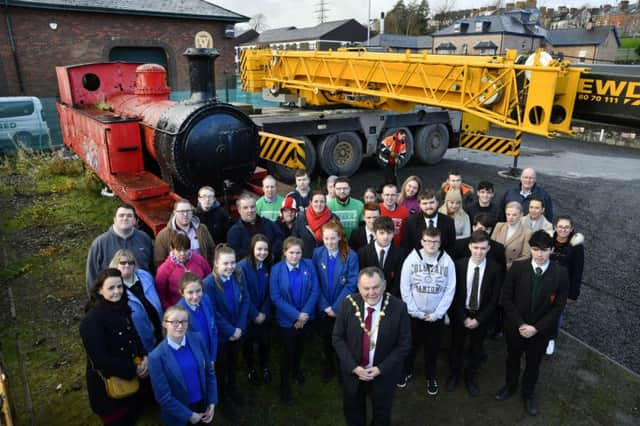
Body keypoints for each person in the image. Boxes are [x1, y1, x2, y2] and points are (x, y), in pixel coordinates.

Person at [496, 230, 568, 417]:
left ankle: (528, 393)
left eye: (544, 250)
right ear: (530, 249)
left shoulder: (561, 274)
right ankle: (510, 386)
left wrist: (536, 328)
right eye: (535, 249)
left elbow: (559, 306)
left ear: (551, 250)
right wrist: (520, 324)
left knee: (533, 364)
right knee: (512, 358)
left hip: (540, 331)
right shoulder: (518, 268)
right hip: (515, 327)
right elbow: (506, 297)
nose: (539, 254)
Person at [332, 266, 411, 426]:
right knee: (353, 412)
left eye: (376, 287)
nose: (371, 293)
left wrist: (380, 369)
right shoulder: (348, 304)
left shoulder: (398, 308)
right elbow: (337, 338)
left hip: (383, 374)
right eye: (366, 288)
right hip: (354, 373)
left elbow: (404, 345)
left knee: (382, 414)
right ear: (358, 287)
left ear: (384, 285)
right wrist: (353, 367)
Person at [80, 268, 148, 426]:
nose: (117, 291)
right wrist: (133, 369)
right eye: (111, 288)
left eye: (120, 287)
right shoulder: (92, 320)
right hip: (108, 391)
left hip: (131, 384)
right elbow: (100, 360)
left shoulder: (122, 308)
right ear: (100, 290)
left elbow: (135, 337)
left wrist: (144, 357)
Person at [399, 227, 456, 394]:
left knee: (432, 349)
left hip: (435, 316)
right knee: (410, 346)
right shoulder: (411, 259)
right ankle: (407, 371)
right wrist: (414, 311)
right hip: (414, 314)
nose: (432, 245)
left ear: (440, 242)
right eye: (428, 241)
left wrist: (438, 313)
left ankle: (431, 377)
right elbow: (405, 287)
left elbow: (450, 289)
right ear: (422, 242)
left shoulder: (447, 261)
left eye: (435, 242)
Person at [447, 231, 503, 396]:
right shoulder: (459, 265)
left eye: (483, 248)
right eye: (476, 247)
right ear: (470, 246)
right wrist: (463, 318)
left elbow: (494, 299)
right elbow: (454, 294)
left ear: (489, 248)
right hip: (461, 315)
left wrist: (478, 319)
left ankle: (470, 378)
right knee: (456, 347)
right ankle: (454, 375)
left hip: (482, 317)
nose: (479, 252)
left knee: (476, 349)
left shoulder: (495, 269)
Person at [269, 237, 320, 404]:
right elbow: (275, 297)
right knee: (288, 353)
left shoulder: (309, 265)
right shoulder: (276, 269)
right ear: (284, 252)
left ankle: (296, 372)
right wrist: (296, 315)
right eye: (291, 252)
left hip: (306, 318)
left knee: (300, 348)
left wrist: (304, 314)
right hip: (287, 320)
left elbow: (315, 291)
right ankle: (284, 387)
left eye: (298, 252)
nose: (295, 256)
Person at [148, 305, 217, 426]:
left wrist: (212, 402)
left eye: (184, 321)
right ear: (164, 323)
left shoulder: (197, 339)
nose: (180, 326)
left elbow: (209, 373)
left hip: (203, 405)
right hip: (179, 414)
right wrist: (189, 415)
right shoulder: (156, 357)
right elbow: (163, 397)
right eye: (174, 322)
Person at [203, 244, 249, 410]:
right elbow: (213, 312)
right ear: (216, 263)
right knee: (221, 367)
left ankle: (233, 388)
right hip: (222, 336)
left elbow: (245, 300)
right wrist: (230, 331)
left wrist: (240, 327)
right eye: (225, 263)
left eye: (232, 262)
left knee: (233, 363)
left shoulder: (238, 275)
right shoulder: (208, 284)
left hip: (238, 330)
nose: (230, 267)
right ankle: (222, 396)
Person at [312, 221, 359, 382]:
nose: (329, 242)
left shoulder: (351, 255)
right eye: (326, 239)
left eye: (333, 238)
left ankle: (342, 368)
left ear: (339, 237)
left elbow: (352, 283)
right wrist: (325, 306)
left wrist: (336, 307)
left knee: (341, 339)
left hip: (342, 307)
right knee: (325, 338)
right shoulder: (317, 254)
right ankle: (328, 366)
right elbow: (315, 281)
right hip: (323, 307)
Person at [86, 204, 153, 294]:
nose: (125, 218)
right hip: (112, 297)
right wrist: (95, 300)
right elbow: (92, 275)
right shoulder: (100, 243)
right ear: (114, 219)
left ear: (135, 221)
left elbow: (152, 268)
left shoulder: (145, 239)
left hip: (141, 294)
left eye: (129, 216)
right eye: (121, 215)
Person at [109, 250, 163, 353]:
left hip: (159, 330)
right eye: (123, 262)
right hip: (139, 341)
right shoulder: (115, 287)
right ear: (116, 264)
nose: (127, 265)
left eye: (131, 262)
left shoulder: (145, 276)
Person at [238, 234, 274, 385]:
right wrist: (255, 314)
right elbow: (243, 293)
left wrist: (264, 312)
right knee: (248, 343)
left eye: (265, 249)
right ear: (252, 249)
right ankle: (251, 369)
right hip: (248, 314)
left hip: (263, 313)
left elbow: (268, 292)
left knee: (265, 342)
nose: (262, 253)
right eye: (259, 249)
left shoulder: (267, 265)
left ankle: (264, 367)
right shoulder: (242, 267)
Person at [547, 215, 584, 355]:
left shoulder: (576, 247)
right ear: (555, 227)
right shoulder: (548, 240)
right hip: (546, 282)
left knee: (557, 313)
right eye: (560, 226)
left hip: (562, 287)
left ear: (572, 229)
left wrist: (573, 294)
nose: (563, 230)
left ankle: (551, 338)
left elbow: (578, 271)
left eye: (567, 227)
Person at [155, 233, 212, 310]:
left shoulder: (200, 260)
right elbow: (161, 296)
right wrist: (172, 311)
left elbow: (209, 280)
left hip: (202, 306)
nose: (182, 254)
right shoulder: (164, 270)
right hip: (179, 311)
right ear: (172, 248)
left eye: (185, 250)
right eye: (178, 250)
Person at [154, 199, 215, 269]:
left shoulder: (202, 229)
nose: (185, 214)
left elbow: (212, 250)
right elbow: (159, 263)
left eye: (188, 211)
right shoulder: (163, 235)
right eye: (181, 211)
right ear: (174, 213)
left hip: (202, 275)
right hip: (179, 278)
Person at [177, 273, 218, 368]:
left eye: (198, 291)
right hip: (194, 360)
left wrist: (212, 357)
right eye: (190, 292)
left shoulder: (206, 300)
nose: (195, 296)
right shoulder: (179, 313)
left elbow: (213, 329)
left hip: (210, 353)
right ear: (182, 293)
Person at [226, 192, 283, 260]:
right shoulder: (234, 231)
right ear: (239, 210)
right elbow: (235, 252)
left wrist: (271, 253)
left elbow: (280, 238)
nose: (250, 210)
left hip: (272, 264)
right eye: (245, 208)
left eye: (252, 207)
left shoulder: (268, 223)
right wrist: (256, 256)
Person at [357, 216, 405, 297]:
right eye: (382, 233)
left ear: (393, 234)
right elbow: (361, 278)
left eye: (389, 233)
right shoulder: (363, 252)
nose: (386, 237)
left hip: (392, 297)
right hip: (369, 296)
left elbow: (399, 280)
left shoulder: (400, 253)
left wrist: (389, 297)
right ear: (375, 234)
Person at [401, 189, 456, 257]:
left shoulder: (449, 222)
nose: (428, 206)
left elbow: (451, 248)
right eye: (425, 203)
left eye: (432, 202)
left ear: (437, 203)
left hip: (442, 262)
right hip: (417, 262)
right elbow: (407, 248)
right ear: (419, 205)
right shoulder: (409, 222)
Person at [292, 191, 338, 258]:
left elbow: (340, 240)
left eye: (322, 202)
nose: (319, 204)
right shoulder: (301, 219)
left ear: (325, 203)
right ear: (311, 203)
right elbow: (294, 240)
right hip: (306, 259)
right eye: (316, 201)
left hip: (327, 259)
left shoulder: (333, 219)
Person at [491, 201, 531, 270]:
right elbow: (490, 246)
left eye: (514, 215)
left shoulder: (527, 232)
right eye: (508, 214)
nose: (510, 217)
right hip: (495, 267)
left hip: (513, 269)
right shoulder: (499, 226)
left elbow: (526, 256)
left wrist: (508, 266)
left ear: (521, 215)